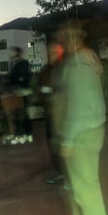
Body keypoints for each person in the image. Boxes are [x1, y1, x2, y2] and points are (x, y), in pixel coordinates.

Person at [56, 21, 108, 215]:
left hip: (80, 133)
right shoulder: (90, 60)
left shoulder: (76, 65)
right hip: (95, 128)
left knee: (85, 185)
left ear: (74, 40)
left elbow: (76, 106)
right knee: (88, 182)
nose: (63, 44)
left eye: (66, 39)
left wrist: (67, 139)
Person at [40, 41, 66, 184]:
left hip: (62, 113)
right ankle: (59, 172)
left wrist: (52, 91)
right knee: (53, 144)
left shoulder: (64, 69)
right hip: (50, 112)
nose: (51, 55)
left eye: (54, 52)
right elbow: (40, 86)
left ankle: (68, 174)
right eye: (49, 52)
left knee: (64, 144)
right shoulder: (45, 70)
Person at [3, 46, 33, 145]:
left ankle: (24, 134)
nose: (11, 55)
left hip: (21, 91)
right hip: (20, 90)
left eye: (12, 53)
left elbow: (19, 77)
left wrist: (15, 84)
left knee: (21, 113)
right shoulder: (19, 63)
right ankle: (26, 134)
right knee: (21, 113)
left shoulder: (21, 64)